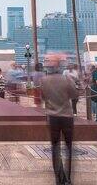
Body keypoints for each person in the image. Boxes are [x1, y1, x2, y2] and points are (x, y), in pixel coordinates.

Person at [40, 54, 78, 185]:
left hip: (52, 116)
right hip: (67, 116)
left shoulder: (44, 80)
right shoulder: (67, 79)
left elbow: (43, 97)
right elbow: (74, 95)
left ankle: (59, 178)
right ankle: (68, 178)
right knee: (68, 146)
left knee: (55, 146)